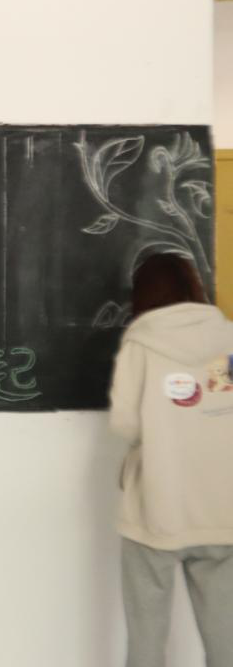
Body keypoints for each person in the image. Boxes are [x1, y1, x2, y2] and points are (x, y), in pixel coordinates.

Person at [109, 253, 233, 667]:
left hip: (156, 509)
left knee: (147, 639)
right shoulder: (228, 341)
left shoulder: (141, 344)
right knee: (226, 638)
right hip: (222, 510)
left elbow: (125, 423)